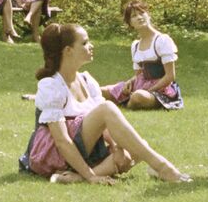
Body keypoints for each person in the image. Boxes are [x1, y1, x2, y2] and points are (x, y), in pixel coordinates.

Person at [19, 23, 191, 184]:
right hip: (55, 153)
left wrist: (116, 147)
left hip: (86, 148)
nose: (91, 46)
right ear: (68, 50)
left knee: (137, 149)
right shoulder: (51, 85)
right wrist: (91, 176)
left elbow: (105, 124)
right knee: (107, 108)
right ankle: (162, 166)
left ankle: (76, 177)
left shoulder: (86, 80)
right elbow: (62, 141)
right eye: (85, 43)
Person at [102, 1, 184, 110]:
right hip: (141, 86)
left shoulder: (162, 40)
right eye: (134, 16)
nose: (139, 17)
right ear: (130, 23)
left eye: (142, 13)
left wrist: (150, 90)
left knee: (138, 96)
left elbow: (170, 76)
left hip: (161, 89)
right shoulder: (135, 45)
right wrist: (130, 82)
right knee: (102, 91)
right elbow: (139, 75)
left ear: (148, 15)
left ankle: (126, 104)